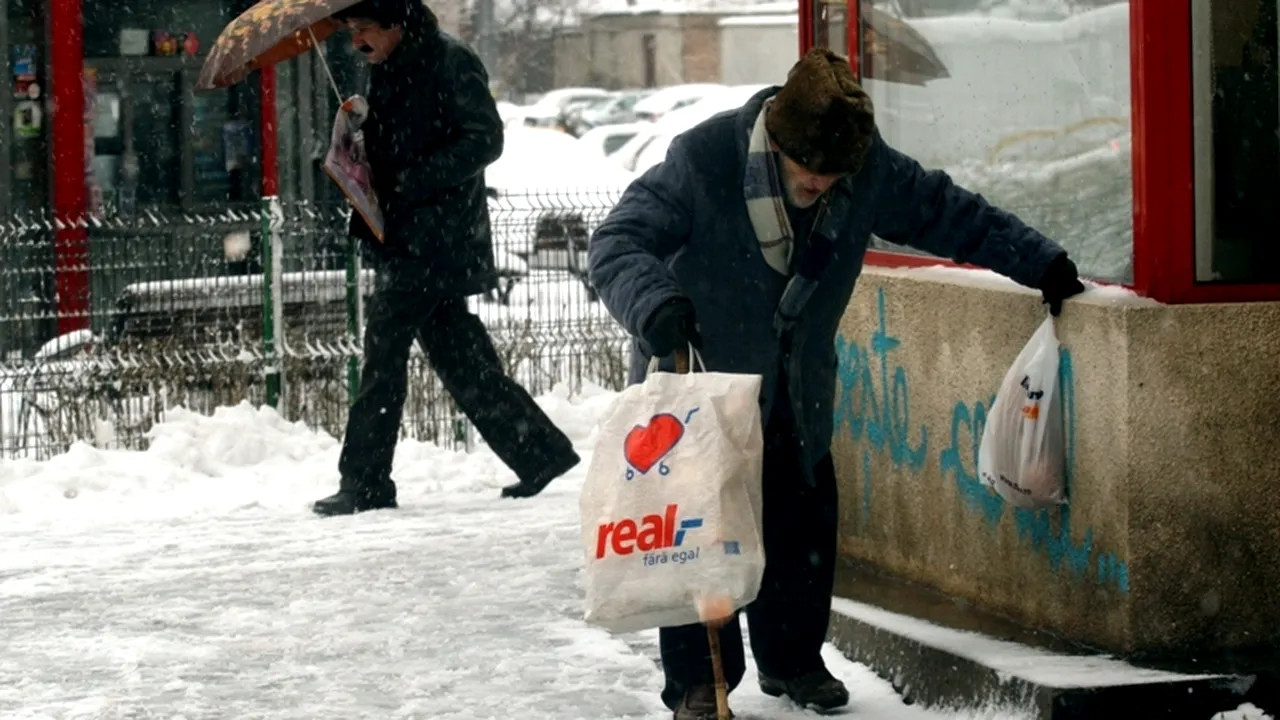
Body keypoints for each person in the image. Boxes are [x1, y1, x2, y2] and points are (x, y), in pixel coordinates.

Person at [586, 47, 1086, 719]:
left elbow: (949, 213)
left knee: (803, 528)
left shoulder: (865, 169)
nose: (819, 185)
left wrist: (1039, 261)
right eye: (807, 171)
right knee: (699, 536)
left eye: (832, 176)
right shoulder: (703, 161)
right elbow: (617, 242)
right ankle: (701, 683)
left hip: (799, 383)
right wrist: (654, 305)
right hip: (702, 384)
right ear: (778, 138)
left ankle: (793, 662)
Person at [312, 0, 580, 517]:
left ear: (396, 23)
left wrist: (411, 182)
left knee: (384, 352)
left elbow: (484, 140)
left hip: (437, 239)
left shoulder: (449, 61)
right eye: (350, 32)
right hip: (407, 235)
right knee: (460, 355)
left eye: (364, 29)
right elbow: (402, 142)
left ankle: (365, 481)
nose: (357, 42)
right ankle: (540, 453)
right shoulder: (387, 67)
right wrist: (359, 131)